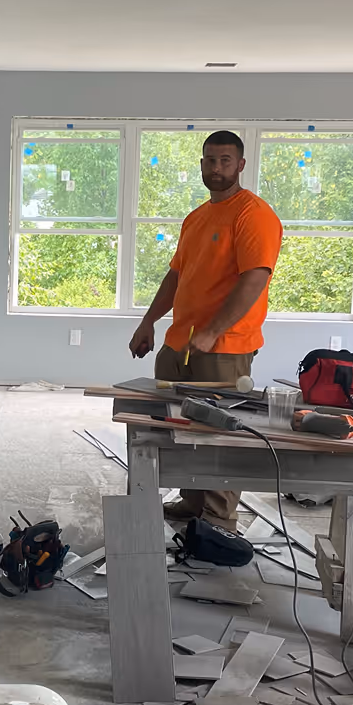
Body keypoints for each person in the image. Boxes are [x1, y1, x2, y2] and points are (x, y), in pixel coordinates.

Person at [129, 129, 283, 532]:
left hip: (225, 347)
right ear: (201, 164)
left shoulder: (253, 214)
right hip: (181, 343)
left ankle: (217, 519)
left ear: (241, 165)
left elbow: (255, 279)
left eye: (225, 161)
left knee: (219, 433)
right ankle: (192, 501)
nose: (217, 168)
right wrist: (149, 322)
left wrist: (213, 330)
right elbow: (177, 276)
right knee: (180, 427)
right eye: (210, 161)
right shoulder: (196, 218)